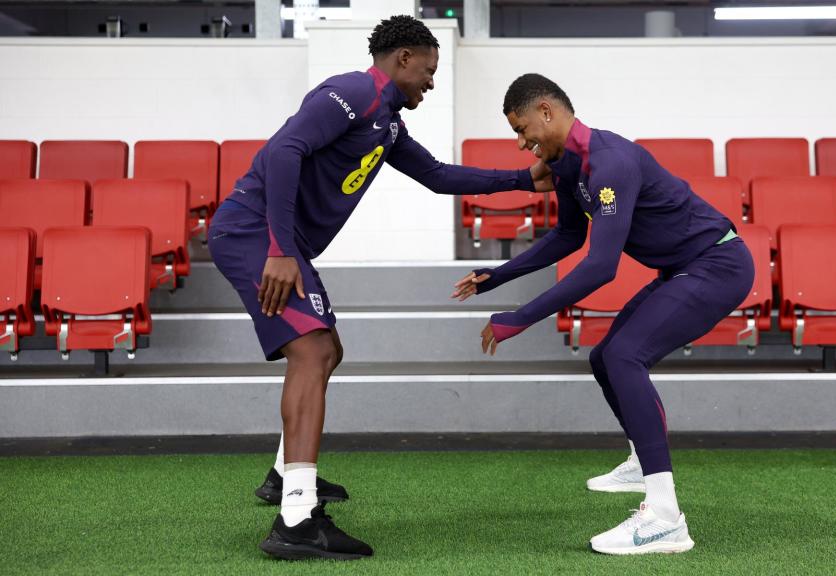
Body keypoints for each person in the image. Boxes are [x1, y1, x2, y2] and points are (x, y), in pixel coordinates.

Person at [208, 17, 549, 561]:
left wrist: (521, 180)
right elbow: (282, 153)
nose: (431, 84)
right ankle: (295, 520)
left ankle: (285, 474)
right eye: (429, 71)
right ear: (404, 57)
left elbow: (437, 175)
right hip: (255, 231)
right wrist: (278, 249)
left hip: (278, 238)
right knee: (313, 349)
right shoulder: (352, 92)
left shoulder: (386, 121)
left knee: (328, 349)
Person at [453, 73, 754, 555]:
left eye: (522, 128)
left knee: (625, 357)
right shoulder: (571, 167)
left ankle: (665, 518)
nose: (520, 143)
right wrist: (499, 275)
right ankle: (642, 458)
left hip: (717, 263)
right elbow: (569, 237)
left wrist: (521, 317)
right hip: (681, 269)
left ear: (547, 111)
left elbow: (600, 268)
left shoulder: (610, 162)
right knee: (605, 357)